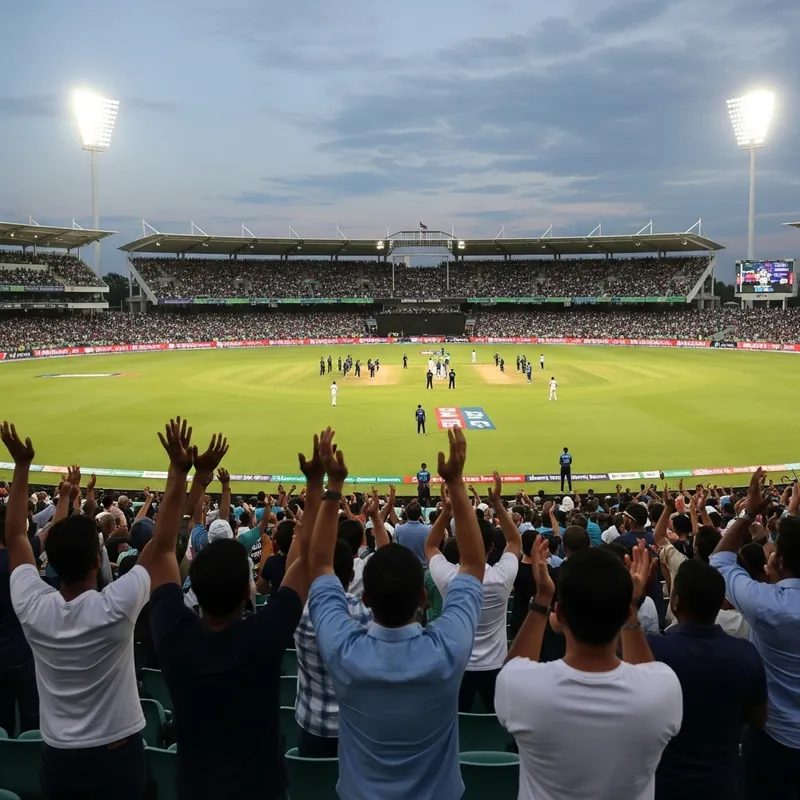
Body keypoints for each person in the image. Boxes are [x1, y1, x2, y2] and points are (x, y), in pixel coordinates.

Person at [306, 426, 486, 799]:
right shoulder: (448, 649)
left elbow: (320, 564)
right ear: (423, 599)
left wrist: (333, 485)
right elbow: (473, 565)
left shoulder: (343, 650)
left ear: (365, 599)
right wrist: (455, 484)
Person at [147, 420, 319, 800]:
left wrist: (186, 475)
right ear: (247, 590)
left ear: (194, 587)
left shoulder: (174, 633)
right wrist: (317, 484)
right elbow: (306, 559)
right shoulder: (264, 635)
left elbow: (161, 550)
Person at [2, 422, 154, 799]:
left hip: (59, 758)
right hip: (117, 757)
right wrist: (186, 476)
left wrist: (21, 466)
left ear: (50, 561)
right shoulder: (117, 605)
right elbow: (163, 545)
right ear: (96, 561)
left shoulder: (33, 605)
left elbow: (16, 536)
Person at [496, 543, 682, 800]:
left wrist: (542, 599)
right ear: (626, 613)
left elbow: (513, 667)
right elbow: (647, 674)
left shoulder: (523, 686)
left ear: (559, 613)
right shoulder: (664, 688)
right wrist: (629, 609)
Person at [709, 469, 800, 799]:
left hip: (771, 736)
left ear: (778, 560)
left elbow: (720, 560)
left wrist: (749, 514)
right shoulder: (769, 601)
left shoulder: (766, 604)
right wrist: (789, 516)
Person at [646, 559, 767, 800]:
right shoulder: (746, 654)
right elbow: (758, 717)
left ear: (676, 602)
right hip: (723, 783)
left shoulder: (654, 650)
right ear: (721, 602)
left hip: (665, 784)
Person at [428, 473, 520, 713]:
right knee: (497, 719)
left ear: (459, 546)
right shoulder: (501, 577)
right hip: (495, 665)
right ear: (491, 547)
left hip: (458, 665)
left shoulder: (449, 577)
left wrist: (447, 512)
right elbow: (514, 541)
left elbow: (431, 546)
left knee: (457, 719)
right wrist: (497, 504)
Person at [294, 540, 372, 757]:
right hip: (359, 725)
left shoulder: (299, 612)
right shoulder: (370, 613)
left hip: (314, 725)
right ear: (352, 576)